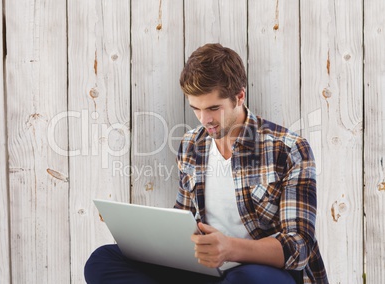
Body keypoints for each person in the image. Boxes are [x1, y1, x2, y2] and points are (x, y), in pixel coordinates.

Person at [84, 43, 329, 283]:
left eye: (214, 108)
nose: (205, 120)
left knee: (245, 279)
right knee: (102, 260)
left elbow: (299, 246)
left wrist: (229, 248)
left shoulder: (288, 149)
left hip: (261, 271)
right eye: (196, 109)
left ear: (239, 96)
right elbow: (183, 219)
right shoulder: (192, 144)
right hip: (205, 269)